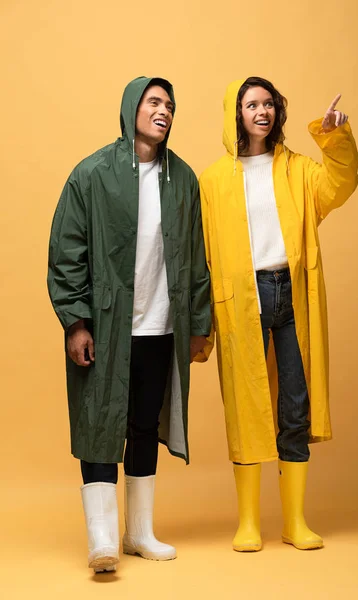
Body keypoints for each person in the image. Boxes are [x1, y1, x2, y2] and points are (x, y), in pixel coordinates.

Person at [48, 76, 210, 572]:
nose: (164, 111)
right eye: (154, 102)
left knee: (143, 424)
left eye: (170, 105)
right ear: (131, 109)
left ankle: (138, 531)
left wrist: (200, 322)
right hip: (106, 326)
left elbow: (197, 255)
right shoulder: (92, 173)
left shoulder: (182, 178)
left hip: (161, 324)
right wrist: (76, 321)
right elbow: (67, 250)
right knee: (100, 421)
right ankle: (102, 539)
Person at [199, 76, 358, 552]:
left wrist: (335, 138)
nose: (262, 111)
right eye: (252, 105)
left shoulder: (298, 169)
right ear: (237, 115)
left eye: (268, 103)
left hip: (292, 292)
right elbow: (201, 252)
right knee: (248, 406)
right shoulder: (211, 180)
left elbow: (340, 185)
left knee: (294, 404)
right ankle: (248, 522)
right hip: (241, 297)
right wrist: (199, 326)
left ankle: (295, 521)